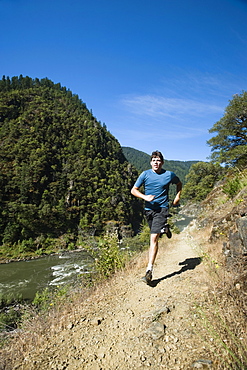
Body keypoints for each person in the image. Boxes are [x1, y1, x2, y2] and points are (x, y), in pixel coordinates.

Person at [131, 150, 182, 285]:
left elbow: (179, 183)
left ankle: (149, 270)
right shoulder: (145, 174)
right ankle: (165, 228)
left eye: (158, 160)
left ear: (162, 162)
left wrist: (177, 196)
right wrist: (144, 197)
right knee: (156, 233)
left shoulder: (169, 175)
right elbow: (133, 190)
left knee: (153, 238)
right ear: (151, 162)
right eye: (154, 160)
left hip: (162, 209)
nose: (156, 162)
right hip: (149, 210)